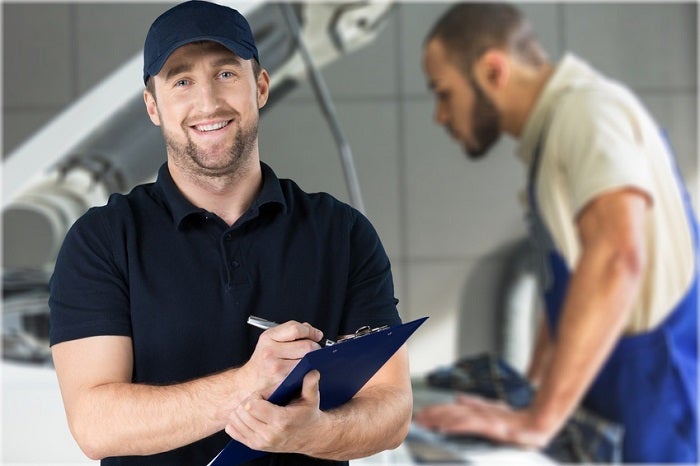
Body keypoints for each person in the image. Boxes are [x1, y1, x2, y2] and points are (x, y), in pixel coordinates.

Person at [48, 1, 412, 465]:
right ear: (152, 106)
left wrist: (314, 433)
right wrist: (247, 385)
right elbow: (95, 424)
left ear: (260, 86)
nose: (208, 103)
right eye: (181, 81)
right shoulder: (101, 241)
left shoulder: (342, 233)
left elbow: (392, 410)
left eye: (225, 74)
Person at [414, 3, 698, 463]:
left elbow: (616, 259)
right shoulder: (552, 135)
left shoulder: (586, 111)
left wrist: (536, 421)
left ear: (492, 70)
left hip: (661, 408)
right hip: (621, 402)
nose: (440, 115)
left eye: (443, 93)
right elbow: (576, 279)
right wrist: (535, 391)